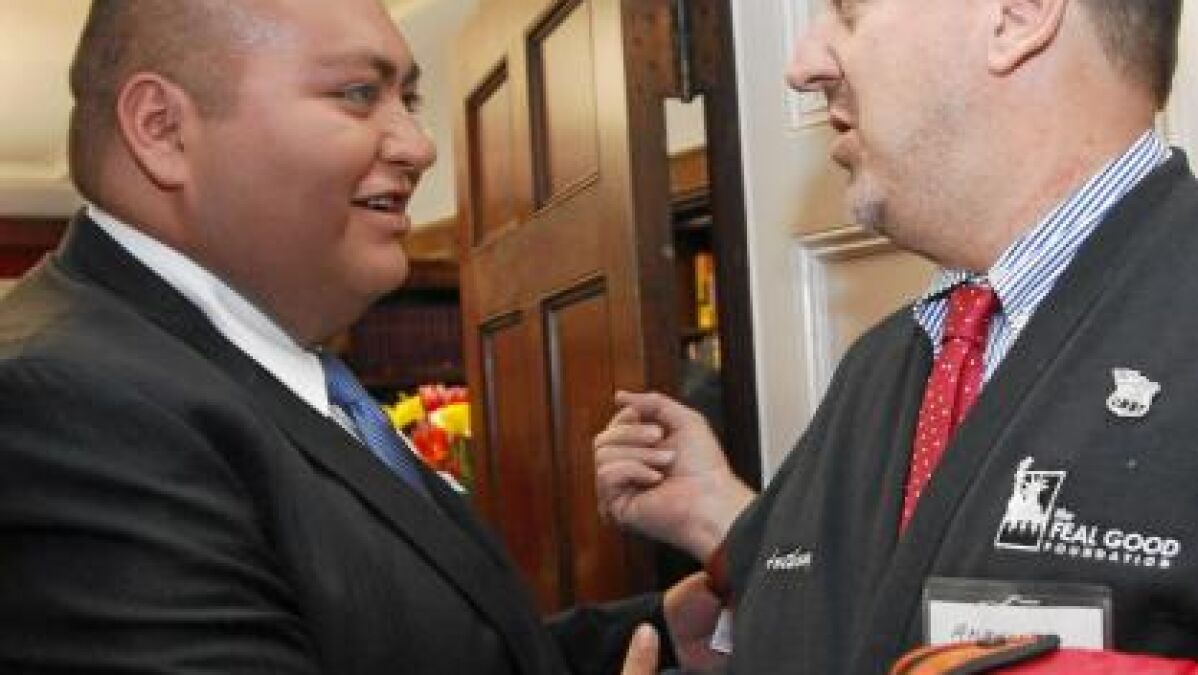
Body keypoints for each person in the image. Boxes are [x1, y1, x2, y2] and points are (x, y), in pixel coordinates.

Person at [0, 1, 721, 672]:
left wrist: (654, 629)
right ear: (162, 129)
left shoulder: (264, 367)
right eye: (357, 93)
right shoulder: (67, 406)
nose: (420, 146)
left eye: (408, 99)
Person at [596, 0, 1195, 671]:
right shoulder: (883, 362)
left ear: (1017, 16)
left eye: (848, 11)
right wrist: (715, 516)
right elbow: (870, 605)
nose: (802, 67)